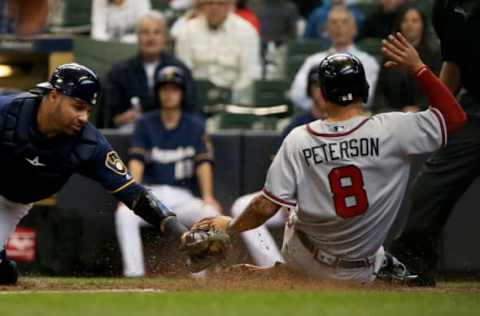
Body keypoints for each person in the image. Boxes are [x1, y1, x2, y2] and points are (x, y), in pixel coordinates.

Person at [187, 33, 466, 283]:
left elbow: (264, 207)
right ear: (364, 90)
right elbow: (454, 117)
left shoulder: (301, 137)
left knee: (296, 217)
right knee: (381, 257)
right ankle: (375, 269)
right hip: (362, 268)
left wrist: (231, 229)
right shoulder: (394, 129)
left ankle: (287, 275)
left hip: (307, 259)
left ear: (323, 93)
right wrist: (418, 68)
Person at [0, 63, 189, 285]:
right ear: (53, 96)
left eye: (88, 110)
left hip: (13, 203)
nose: (83, 117)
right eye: (78, 106)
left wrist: (182, 234)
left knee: (3, 277)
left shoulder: (88, 144)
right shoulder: (8, 111)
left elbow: (133, 193)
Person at [389, 0, 480, 287]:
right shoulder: (445, 7)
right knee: (429, 189)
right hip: (475, 109)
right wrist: (437, 116)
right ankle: (413, 266)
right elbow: (452, 62)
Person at [115, 66, 222, 277]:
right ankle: (134, 275)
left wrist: (208, 196)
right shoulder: (145, 123)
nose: (169, 93)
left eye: (174, 89)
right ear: (157, 92)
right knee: (124, 213)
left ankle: (200, 278)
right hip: (151, 194)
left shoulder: (195, 125)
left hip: (183, 197)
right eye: (164, 89)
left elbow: (204, 164)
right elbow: (137, 162)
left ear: (182, 92)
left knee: (209, 214)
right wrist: (130, 195)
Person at [230, 65, 327, 267]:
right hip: (292, 199)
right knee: (240, 206)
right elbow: (281, 168)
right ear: (310, 89)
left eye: (325, 85)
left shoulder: (340, 125)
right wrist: (285, 198)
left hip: (326, 200)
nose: (321, 91)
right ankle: (273, 267)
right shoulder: (296, 125)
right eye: (317, 85)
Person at [104, 11, 197, 129]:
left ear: (165, 38)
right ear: (137, 37)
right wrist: (126, 118)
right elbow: (109, 119)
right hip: (132, 132)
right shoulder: (119, 72)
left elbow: (192, 111)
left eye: (156, 32)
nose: (151, 38)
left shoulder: (179, 70)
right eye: (145, 32)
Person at [289, 6, 379, 111]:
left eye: (344, 22)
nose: (338, 27)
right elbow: (296, 92)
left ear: (354, 29)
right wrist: (317, 107)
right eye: (334, 22)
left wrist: (336, 110)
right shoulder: (313, 60)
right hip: (317, 117)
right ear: (327, 29)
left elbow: (368, 96)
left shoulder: (367, 61)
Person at [175, 0, 261, 104]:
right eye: (210, 3)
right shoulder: (186, 31)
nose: (214, 8)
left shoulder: (247, 31)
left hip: (233, 98)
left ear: (230, 5)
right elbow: (184, 71)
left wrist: (233, 98)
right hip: (195, 97)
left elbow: (250, 73)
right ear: (202, 5)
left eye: (220, 3)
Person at [374, 4, 441, 113]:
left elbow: (438, 91)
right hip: (393, 117)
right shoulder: (389, 55)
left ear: (423, 25)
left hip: (425, 115)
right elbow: (379, 94)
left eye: (415, 21)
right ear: (399, 24)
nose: (410, 25)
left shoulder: (435, 55)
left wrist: (419, 108)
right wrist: (392, 112)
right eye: (405, 20)